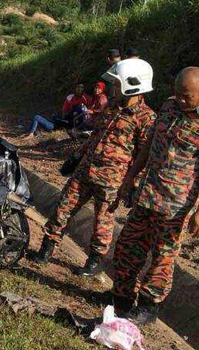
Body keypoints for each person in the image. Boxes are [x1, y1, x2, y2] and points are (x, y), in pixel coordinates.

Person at [110, 67, 199, 325]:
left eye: (187, 96)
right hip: (147, 195)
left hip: (176, 206)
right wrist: (131, 176)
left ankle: (147, 307)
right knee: (127, 247)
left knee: (162, 258)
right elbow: (150, 143)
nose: (181, 100)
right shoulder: (169, 106)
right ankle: (120, 299)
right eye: (177, 93)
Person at [35, 59, 157, 276]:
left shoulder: (146, 118)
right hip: (85, 170)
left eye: (117, 84)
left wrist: (134, 183)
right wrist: (76, 156)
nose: (113, 88)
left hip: (112, 180)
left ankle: (94, 262)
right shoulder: (111, 107)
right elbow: (95, 137)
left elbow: (143, 156)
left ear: (132, 84)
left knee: (103, 221)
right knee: (62, 208)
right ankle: (46, 249)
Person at [26, 83, 93, 136]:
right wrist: (63, 118)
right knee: (38, 118)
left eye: (81, 87)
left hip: (75, 122)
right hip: (64, 122)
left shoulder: (86, 98)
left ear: (83, 89)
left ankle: (31, 133)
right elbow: (64, 111)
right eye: (78, 87)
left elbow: (92, 108)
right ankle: (30, 134)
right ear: (75, 88)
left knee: (37, 118)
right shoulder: (70, 97)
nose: (79, 89)